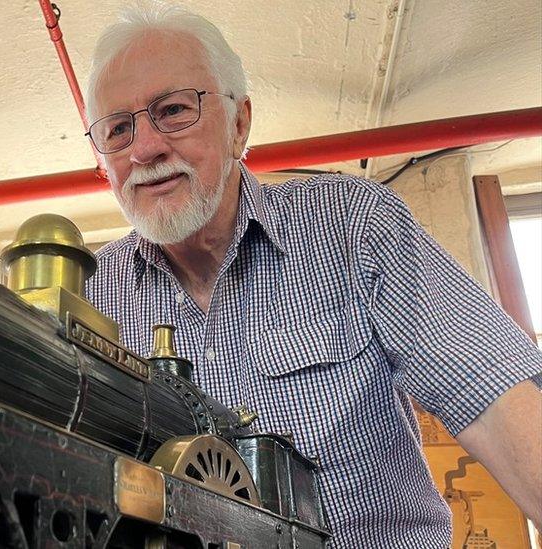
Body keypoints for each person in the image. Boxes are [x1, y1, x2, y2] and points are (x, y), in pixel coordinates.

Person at [81, 3, 542, 546]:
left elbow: (492, 395)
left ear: (239, 124)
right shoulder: (93, 292)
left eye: (175, 110)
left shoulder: (351, 225)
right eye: (118, 129)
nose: (146, 148)